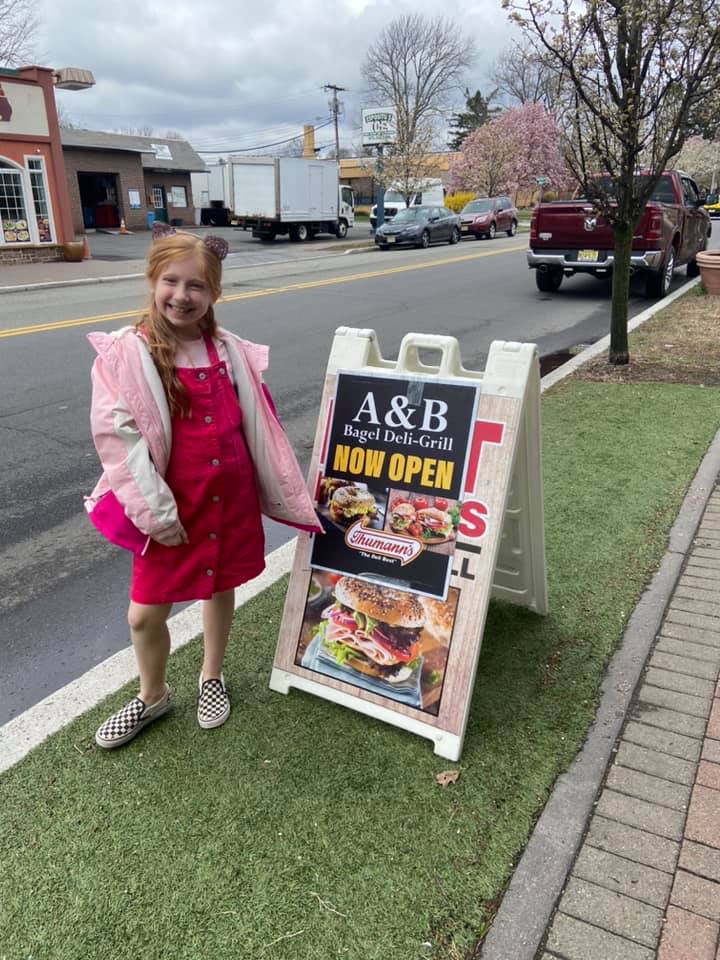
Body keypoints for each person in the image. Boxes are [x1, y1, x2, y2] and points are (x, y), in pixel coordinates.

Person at [85, 224, 320, 749]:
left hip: (229, 495)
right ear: (152, 280)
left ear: (215, 292)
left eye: (197, 286)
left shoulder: (230, 350)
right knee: (145, 612)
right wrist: (156, 514)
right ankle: (152, 695)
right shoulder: (127, 353)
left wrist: (280, 488)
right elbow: (118, 440)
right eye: (171, 281)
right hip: (168, 506)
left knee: (220, 586)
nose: (182, 296)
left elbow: (261, 423)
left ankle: (211, 675)